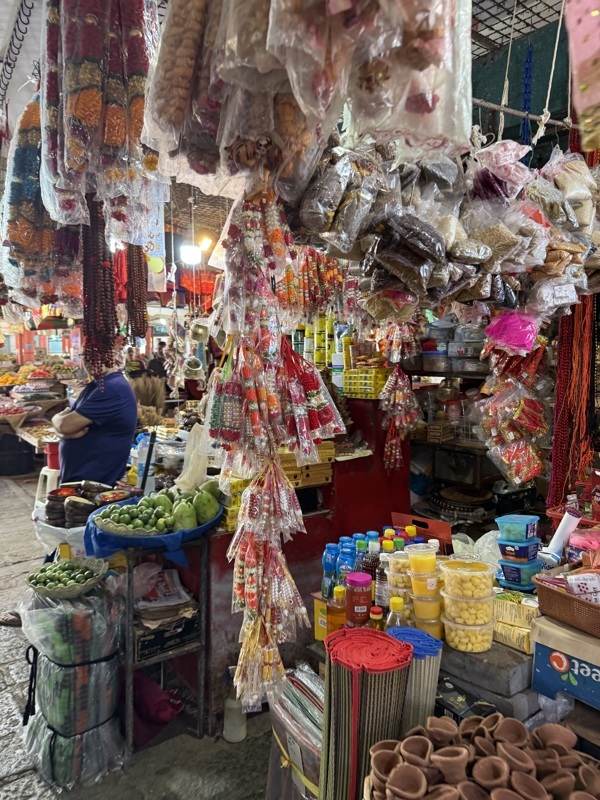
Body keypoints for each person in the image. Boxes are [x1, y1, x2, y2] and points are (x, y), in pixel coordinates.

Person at [52, 361, 138, 486]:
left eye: (98, 354)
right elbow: (65, 428)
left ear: (110, 356)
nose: (91, 360)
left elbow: (64, 426)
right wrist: (62, 433)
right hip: (83, 478)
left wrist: (56, 419)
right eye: (86, 355)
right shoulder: (98, 385)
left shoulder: (110, 388)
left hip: (94, 483)